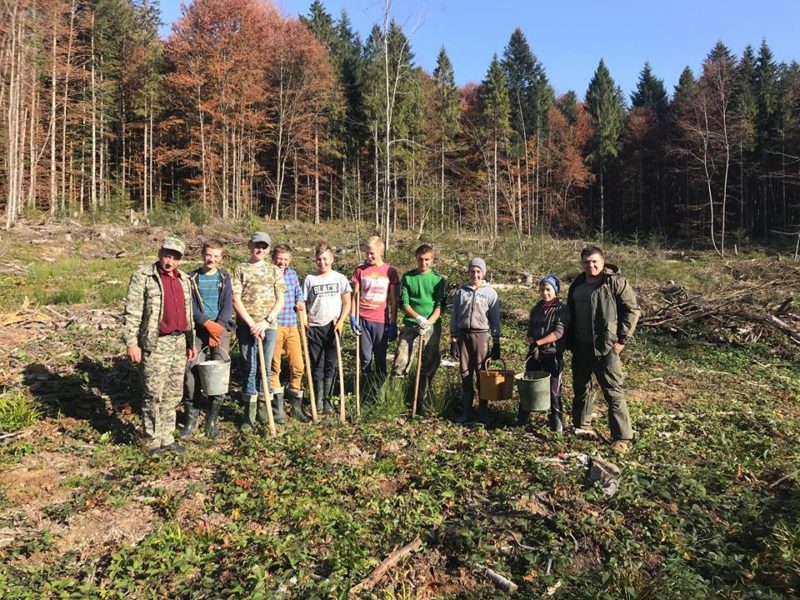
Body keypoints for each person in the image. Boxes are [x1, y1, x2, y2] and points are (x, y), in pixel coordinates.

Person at [123, 237, 197, 456]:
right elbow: (133, 312)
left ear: (180, 260)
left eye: (174, 257)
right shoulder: (144, 277)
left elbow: (188, 313)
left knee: (173, 393)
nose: (169, 261)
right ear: (160, 253)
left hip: (179, 342)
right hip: (155, 344)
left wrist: (190, 342)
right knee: (153, 393)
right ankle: (151, 441)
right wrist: (132, 343)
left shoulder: (184, 279)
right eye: (166, 255)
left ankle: (166, 437)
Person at [565, 246, 641, 453]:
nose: (591, 265)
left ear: (603, 261)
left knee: (613, 391)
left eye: (594, 261)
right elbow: (570, 311)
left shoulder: (614, 282)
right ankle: (581, 425)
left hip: (606, 346)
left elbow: (632, 311)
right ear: (582, 263)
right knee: (582, 387)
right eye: (587, 262)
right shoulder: (578, 283)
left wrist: (622, 340)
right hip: (580, 345)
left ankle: (622, 437)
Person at [232, 232, 287, 432]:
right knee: (250, 366)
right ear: (249, 245)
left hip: (269, 327)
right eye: (257, 245)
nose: (260, 250)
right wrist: (251, 323)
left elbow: (280, 299)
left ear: (268, 249)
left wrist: (266, 321)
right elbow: (236, 299)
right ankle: (249, 413)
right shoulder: (240, 268)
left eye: (264, 247)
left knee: (266, 367)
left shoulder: (274, 271)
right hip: (247, 326)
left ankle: (265, 411)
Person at [181, 239, 235, 440]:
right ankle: (191, 418)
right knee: (192, 369)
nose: (211, 259)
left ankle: (211, 420)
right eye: (208, 255)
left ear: (221, 258)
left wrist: (217, 328)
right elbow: (190, 307)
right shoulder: (191, 278)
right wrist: (206, 324)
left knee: (217, 373)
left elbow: (228, 305)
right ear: (203, 255)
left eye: (216, 256)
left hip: (220, 331)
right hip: (198, 330)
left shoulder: (224, 278)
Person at [391, 244, 447, 415]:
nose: (423, 263)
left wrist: (428, 322)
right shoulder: (408, 278)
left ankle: (423, 401)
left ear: (432, 259)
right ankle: (395, 401)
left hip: (431, 327)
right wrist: (417, 318)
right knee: (401, 361)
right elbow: (404, 303)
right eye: (420, 259)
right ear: (416, 259)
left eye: (427, 260)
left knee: (429, 364)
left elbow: (440, 305)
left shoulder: (439, 280)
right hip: (411, 324)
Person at [449, 257, 501, 424]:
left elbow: (495, 318)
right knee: (465, 372)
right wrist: (453, 339)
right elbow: (455, 315)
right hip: (463, 336)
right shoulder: (461, 291)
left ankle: (483, 412)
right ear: (468, 272)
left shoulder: (490, 293)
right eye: (472, 271)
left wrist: (497, 340)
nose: (475, 275)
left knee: (482, 373)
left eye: (478, 272)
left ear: (483, 273)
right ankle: (466, 412)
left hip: (481, 335)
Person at [302, 243, 352, 414]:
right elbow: (303, 303)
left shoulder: (340, 279)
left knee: (331, 364)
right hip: (315, 326)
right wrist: (304, 321)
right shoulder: (310, 279)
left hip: (334, 327)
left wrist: (341, 321)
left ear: (331, 259)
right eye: (319, 258)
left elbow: (347, 302)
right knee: (318, 364)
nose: (322, 262)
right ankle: (318, 400)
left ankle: (328, 400)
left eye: (325, 258)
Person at [349, 235, 400, 397]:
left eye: (372, 253)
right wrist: (353, 317)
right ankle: (365, 393)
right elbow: (355, 295)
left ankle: (380, 395)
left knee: (380, 357)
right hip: (364, 319)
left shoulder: (390, 271)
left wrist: (393, 323)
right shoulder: (360, 270)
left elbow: (393, 299)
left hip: (381, 321)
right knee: (365, 357)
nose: (369, 257)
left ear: (381, 252)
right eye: (367, 253)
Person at [520, 275, 569, 432]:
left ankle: (556, 422)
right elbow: (529, 331)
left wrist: (539, 342)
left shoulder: (562, 309)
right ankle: (522, 419)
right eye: (542, 289)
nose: (545, 293)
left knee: (554, 389)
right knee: (528, 384)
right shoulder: (536, 309)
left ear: (555, 290)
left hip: (552, 353)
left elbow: (559, 332)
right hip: (535, 353)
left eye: (548, 289)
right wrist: (532, 341)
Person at [271, 244, 309, 422]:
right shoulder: (268, 273)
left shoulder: (292, 275)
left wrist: (300, 302)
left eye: (286, 259)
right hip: (275, 326)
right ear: (274, 257)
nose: (282, 262)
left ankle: (296, 407)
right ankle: (277, 408)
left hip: (292, 325)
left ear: (290, 260)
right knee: (275, 367)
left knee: (298, 365)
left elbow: (298, 294)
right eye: (280, 258)